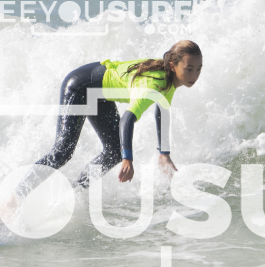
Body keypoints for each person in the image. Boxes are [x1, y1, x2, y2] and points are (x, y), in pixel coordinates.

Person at [14, 39, 203, 201]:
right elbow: (127, 120)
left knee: (113, 151)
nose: (195, 76)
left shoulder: (169, 80)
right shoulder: (152, 85)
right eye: (189, 69)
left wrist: (164, 153)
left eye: (198, 69)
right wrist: (128, 159)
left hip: (100, 94)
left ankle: (71, 195)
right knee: (63, 151)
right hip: (81, 86)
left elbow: (161, 110)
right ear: (173, 66)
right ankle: (15, 199)